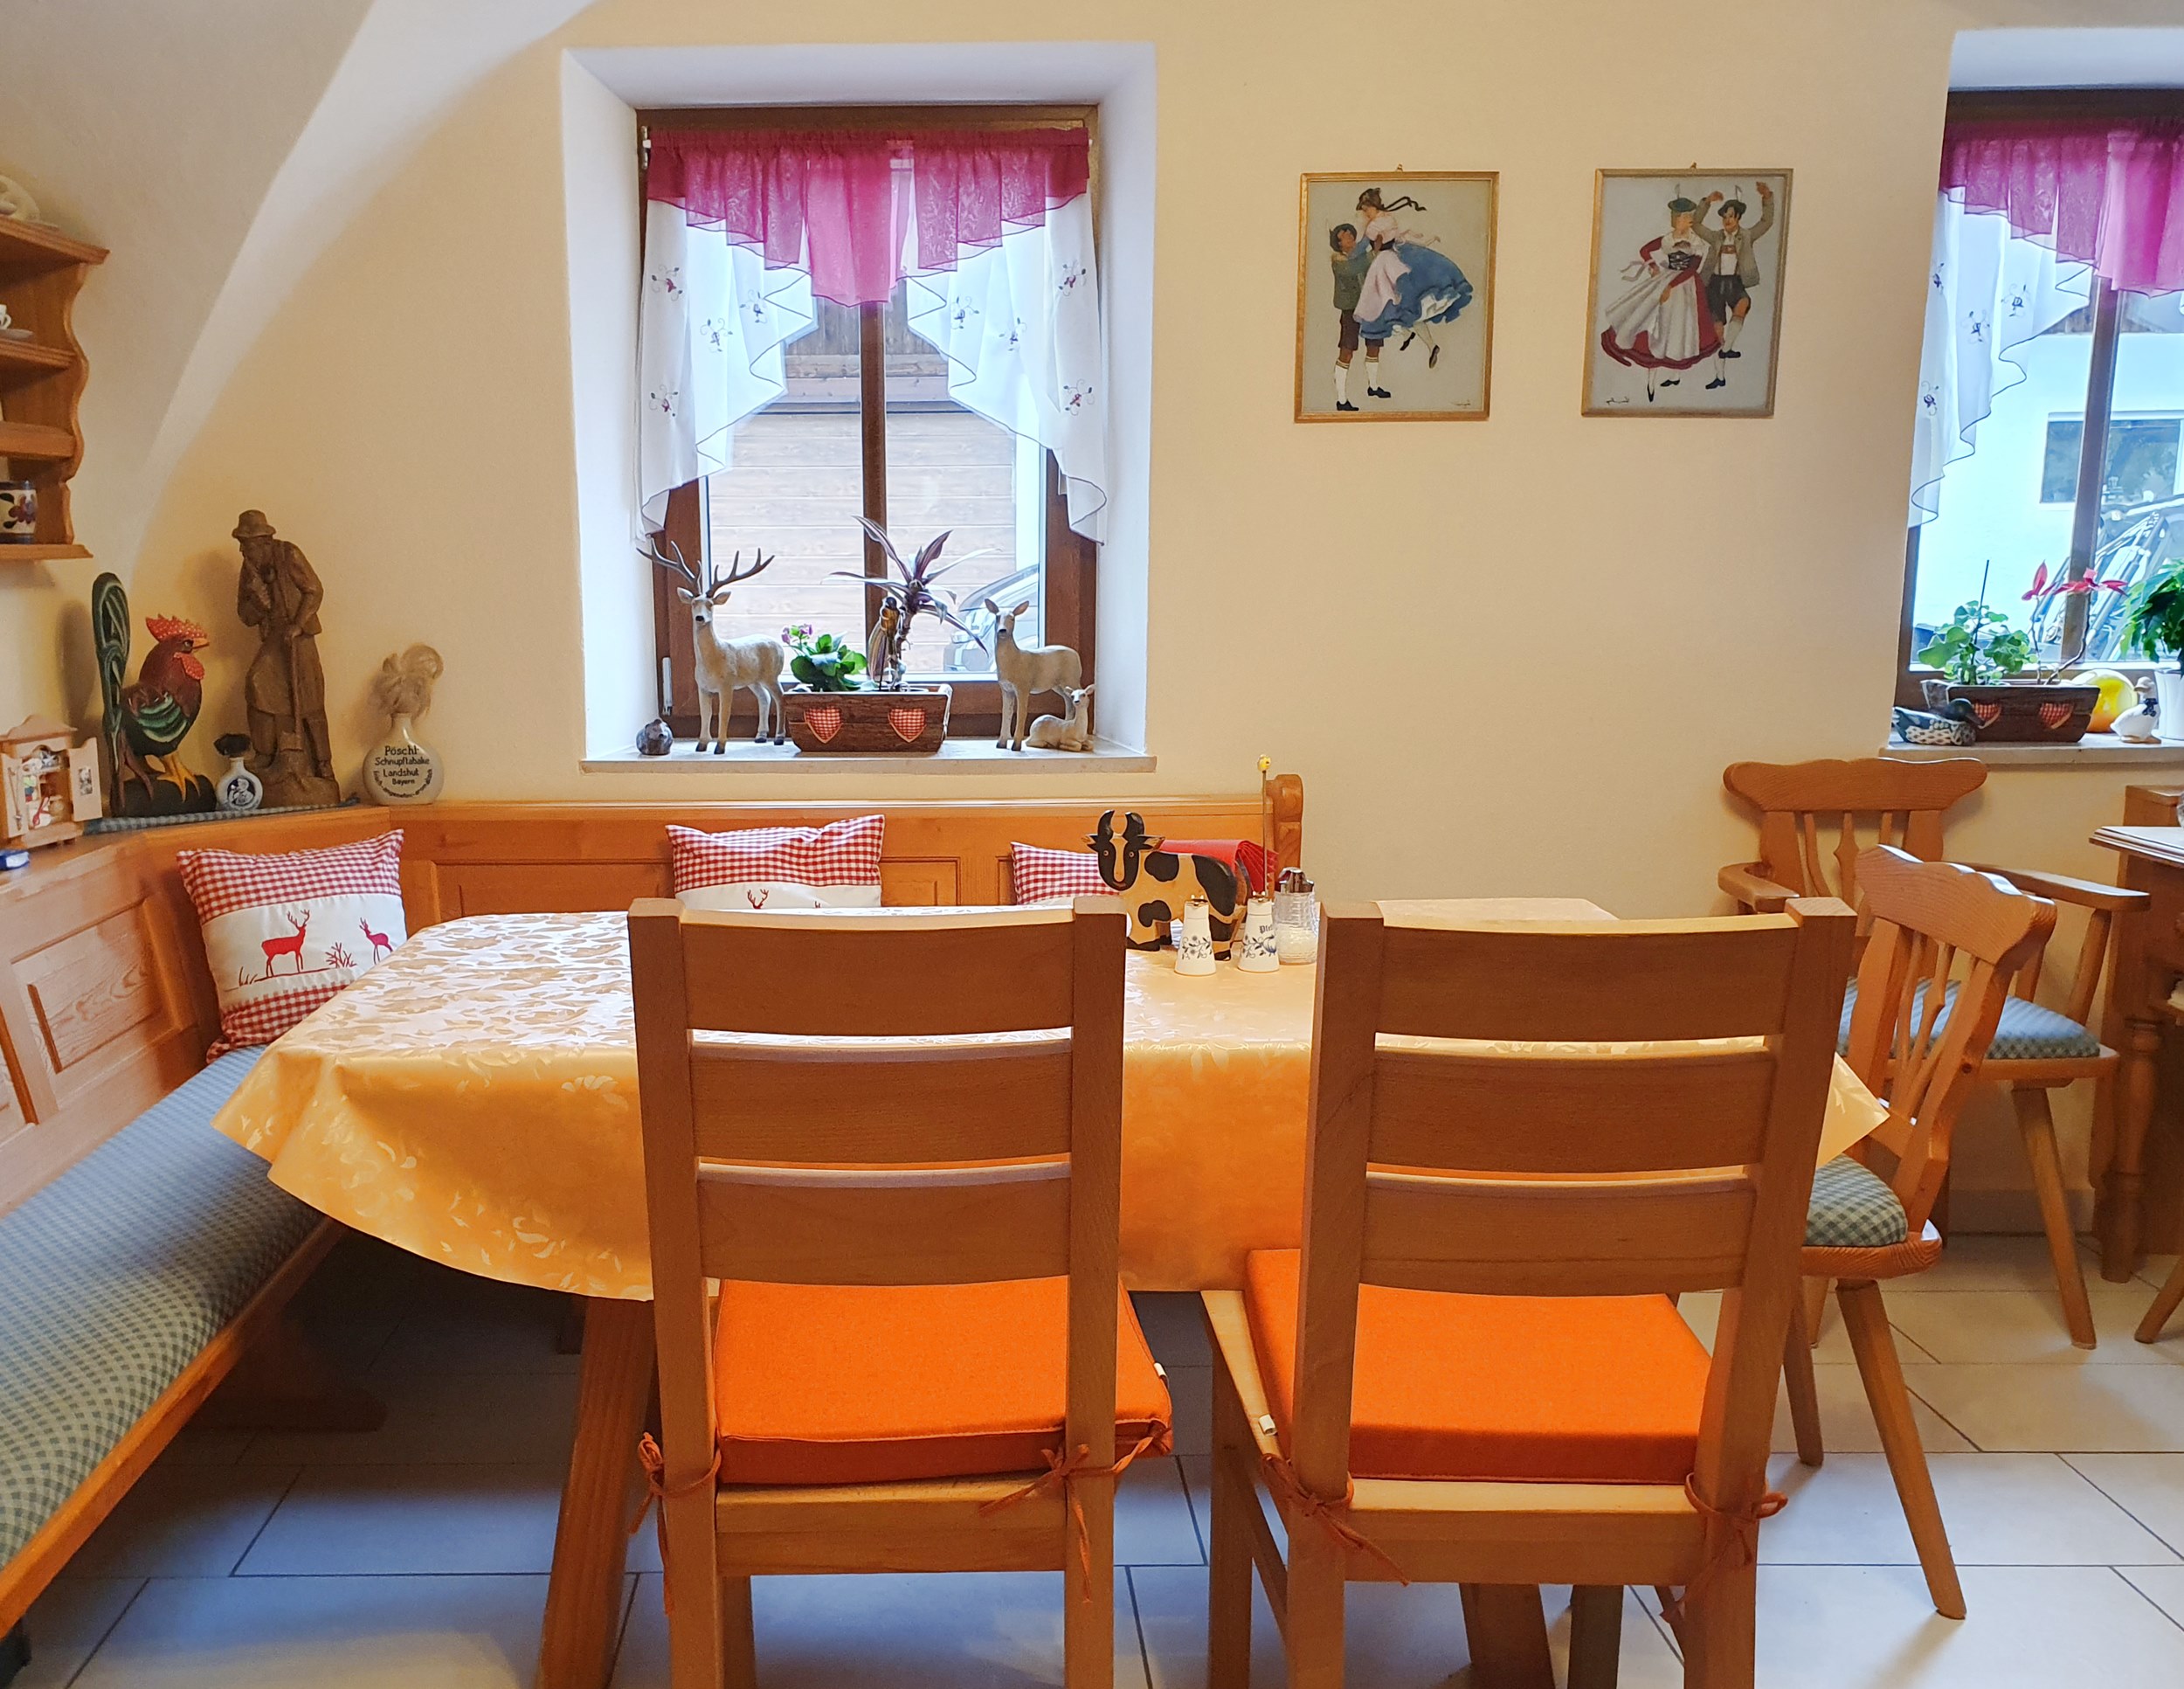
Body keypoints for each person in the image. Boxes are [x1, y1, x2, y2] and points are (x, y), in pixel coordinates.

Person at [1597, 194, 1720, 402]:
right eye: (1683, 217)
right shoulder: (1667, 239)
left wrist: (1670, 286)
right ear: (1676, 219)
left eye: (1689, 217)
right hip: (1666, 279)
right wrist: (1653, 266)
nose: (1687, 220)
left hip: (1686, 287)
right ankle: (1651, 379)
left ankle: (1675, 374)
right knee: (1651, 321)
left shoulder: (1696, 242)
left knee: (1680, 329)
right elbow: (1645, 250)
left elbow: (1692, 269)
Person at [1350, 188, 1474, 385]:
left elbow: (1363, 247)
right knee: (1409, 308)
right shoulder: (1389, 218)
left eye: (1366, 209)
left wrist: (1349, 255)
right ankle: (1429, 344)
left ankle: (1411, 335)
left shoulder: (1373, 226)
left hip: (1386, 265)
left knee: (1386, 307)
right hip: (1399, 257)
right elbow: (1396, 238)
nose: (1365, 213)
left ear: (1373, 206)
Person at [1696, 181, 1776, 379]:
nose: (1727, 220)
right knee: (1717, 330)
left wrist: (1767, 198)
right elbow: (1696, 225)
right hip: (1714, 284)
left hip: (1735, 283)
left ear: (1738, 217)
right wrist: (1707, 202)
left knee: (1743, 304)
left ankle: (1727, 349)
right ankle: (1720, 376)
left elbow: (1766, 222)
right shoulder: (1715, 236)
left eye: (1731, 216)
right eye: (1725, 217)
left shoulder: (1747, 236)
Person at [1326, 223, 1386, 411]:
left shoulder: (1360, 255)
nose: (1350, 237)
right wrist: (1374, 251)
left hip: (1369, 306)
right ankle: (1342, 399)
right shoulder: (1339, 260)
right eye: (1345, 236)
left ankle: (1373, 387)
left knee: (1374, 345)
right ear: (1338, 244)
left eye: (1351, 234)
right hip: (1350, 310)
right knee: (1347, 350)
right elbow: (1354, 268)